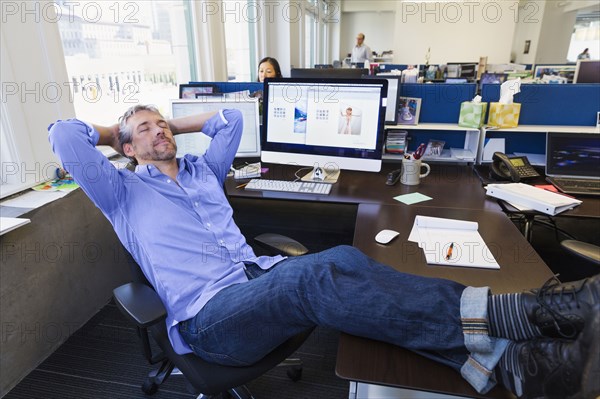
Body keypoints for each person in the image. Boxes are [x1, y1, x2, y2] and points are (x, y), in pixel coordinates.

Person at [48, 106, 600, 399]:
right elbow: (63, 135)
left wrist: (165, 126)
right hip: (208, 321)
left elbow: (231, 120)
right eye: (146, 131)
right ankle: (530, 313)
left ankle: (514, 367)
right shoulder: (121, 191)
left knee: (347, 262)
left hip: (255, 282)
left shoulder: (203, 173)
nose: (161, 132)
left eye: (163, 125)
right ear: (125, 149)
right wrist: (118, 130)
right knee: (313, 278)